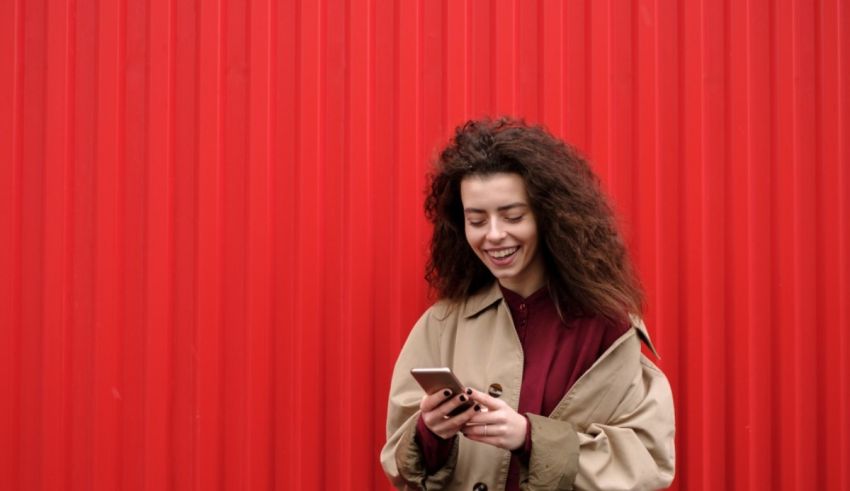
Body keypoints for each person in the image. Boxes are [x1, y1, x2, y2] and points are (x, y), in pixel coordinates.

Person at [381, 118, 675, 490]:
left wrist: (528, 437)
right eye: (476, 220)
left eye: (513, 216)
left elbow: (648, 464)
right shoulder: (440, 324)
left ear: (549, 215)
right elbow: (399, 465)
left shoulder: (607, 328)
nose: (494, 235)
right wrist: (430, 433)